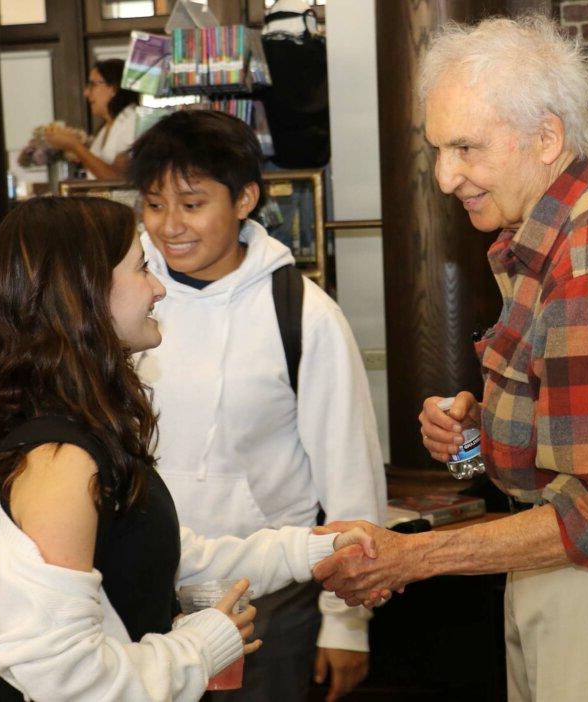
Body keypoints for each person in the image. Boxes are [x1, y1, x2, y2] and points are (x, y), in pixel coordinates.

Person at [315, 16, 588, 702]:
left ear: (546, 138)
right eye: (438, 150)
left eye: (466, 148)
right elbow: (559, 461)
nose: (447, 177)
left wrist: (411, 557)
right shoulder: (560, 228)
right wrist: (476, 440)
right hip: (569, 574)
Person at [0, 196, 378, 700]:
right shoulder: (60, 460)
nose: (158, 288)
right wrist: (205, 644)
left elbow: (162, 552)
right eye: (142, 268)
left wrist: (320, 548)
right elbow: (59, 672)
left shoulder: (72, 426)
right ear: (85, 291)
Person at [128, 109, 387, 702]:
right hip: (144, 583)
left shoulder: (301, 312)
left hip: (268, 593)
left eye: (192, 204)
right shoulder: (125, 298)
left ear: (244, 198)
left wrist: (348, 623)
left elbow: (348, 468)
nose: (170, 226)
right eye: (154, 204)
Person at [43, 58, 138, 180]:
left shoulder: (132, 120)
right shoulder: (107, 126)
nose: (86, 93)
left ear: (113, 88)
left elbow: (117, 178)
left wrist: (75, 146)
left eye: (93, 85)